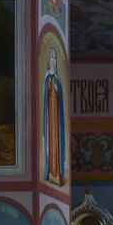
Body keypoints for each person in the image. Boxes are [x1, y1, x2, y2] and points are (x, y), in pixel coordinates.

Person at [42, 46, 65, 185]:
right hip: (50, 121)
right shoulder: (48, 78)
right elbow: (46, 96)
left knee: (57, 145)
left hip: (56, 122)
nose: (54, 61)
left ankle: (57, 173)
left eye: (55, 58)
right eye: (52, 57)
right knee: (51, 147)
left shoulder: (57, 79)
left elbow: (59, 96)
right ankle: (51, 172)